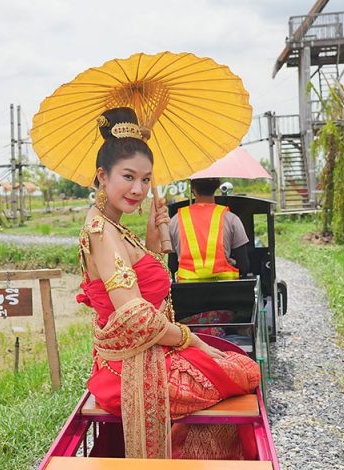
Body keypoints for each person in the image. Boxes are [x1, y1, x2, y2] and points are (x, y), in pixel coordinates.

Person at [76, 107, 261, 460]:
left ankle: (181, 447)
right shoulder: (101, 231)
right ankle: (183, 453)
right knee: (245, 370)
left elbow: (143, 287)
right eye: (128, 177)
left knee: (236, 362)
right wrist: (195, 344)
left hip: (144, 355)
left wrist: (150, 239)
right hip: (131, 372)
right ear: (102, 176)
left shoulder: (112, 226)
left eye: (146, 180)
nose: (139, 189)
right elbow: (137, 318)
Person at [168, 177, 251, 281]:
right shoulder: (231, 219)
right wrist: (232, 262)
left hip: (187, 293)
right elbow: (244, 266)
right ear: (217, 186)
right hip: (227, 293)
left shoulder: (175, 220)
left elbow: (172, 266)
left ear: (192, 188)